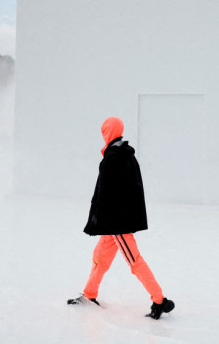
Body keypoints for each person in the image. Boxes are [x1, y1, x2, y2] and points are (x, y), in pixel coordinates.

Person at [67, 117, 175, 320]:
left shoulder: (114, 157)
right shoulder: (125, 154)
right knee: (99, 258)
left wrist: (102, 220)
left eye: (103, 131)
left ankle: (159, 300)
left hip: (117, 224)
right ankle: (89, 294)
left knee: (135, 262)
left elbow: (106, 195)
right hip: (115, 222)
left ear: (108, 132)